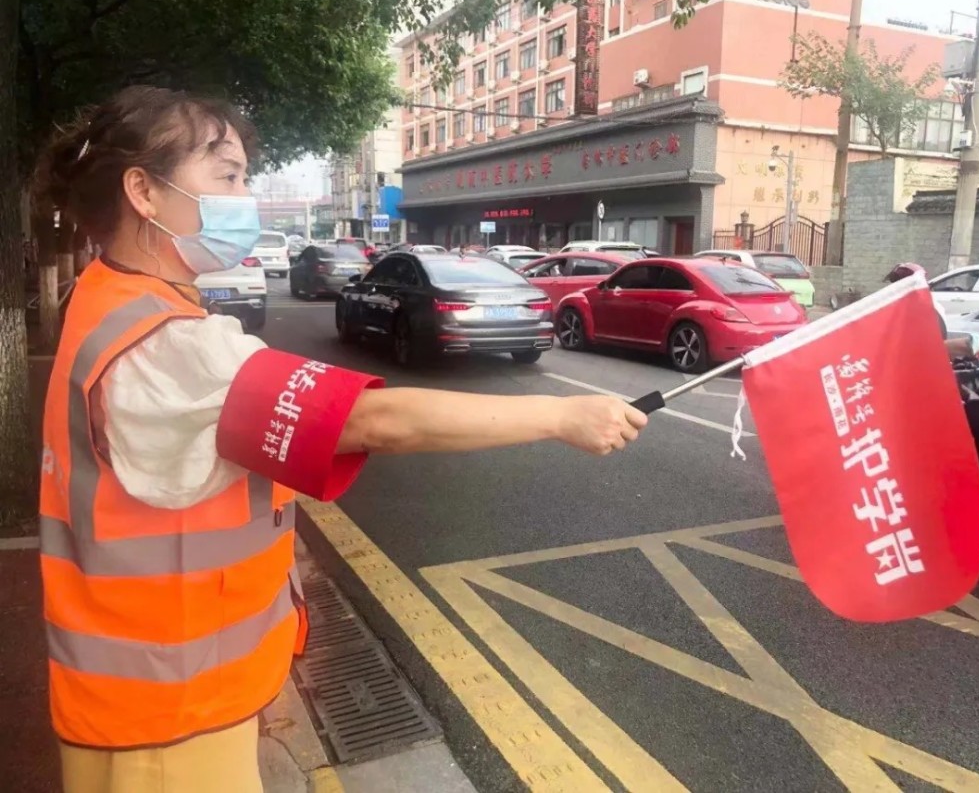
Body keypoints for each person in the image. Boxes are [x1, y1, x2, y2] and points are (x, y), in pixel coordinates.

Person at [34, 85, 648, 793]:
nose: (246, 199)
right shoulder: (168, 346)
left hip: (153, 704)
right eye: (227, 177)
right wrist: (562, 417)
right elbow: (370, 421)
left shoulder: (111, 296)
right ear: (143, 190)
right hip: (166, 722)